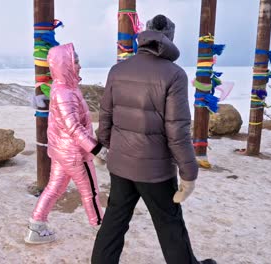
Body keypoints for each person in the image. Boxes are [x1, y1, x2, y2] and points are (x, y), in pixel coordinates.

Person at [91, 15, 216, 264]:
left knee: (115, 221)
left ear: (145, 36)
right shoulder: (174, 74)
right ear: (170, 38)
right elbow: (178, 130)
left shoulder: (118, 70)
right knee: (169, 224)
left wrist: (104, 148)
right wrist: (189, 174)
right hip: (155, 170)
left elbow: (106, 115)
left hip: (121, 165)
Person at [25, 43, 105, 244]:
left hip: (62, 152)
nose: (79, 66)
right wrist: (96, 149)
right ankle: (103, 232)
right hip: (75, 153)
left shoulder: (62, 88)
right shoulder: (65, 93)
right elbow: (73, 127)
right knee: (91, 192)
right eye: (75, 62)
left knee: (54, 188)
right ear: (65, 65)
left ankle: (36, 226)